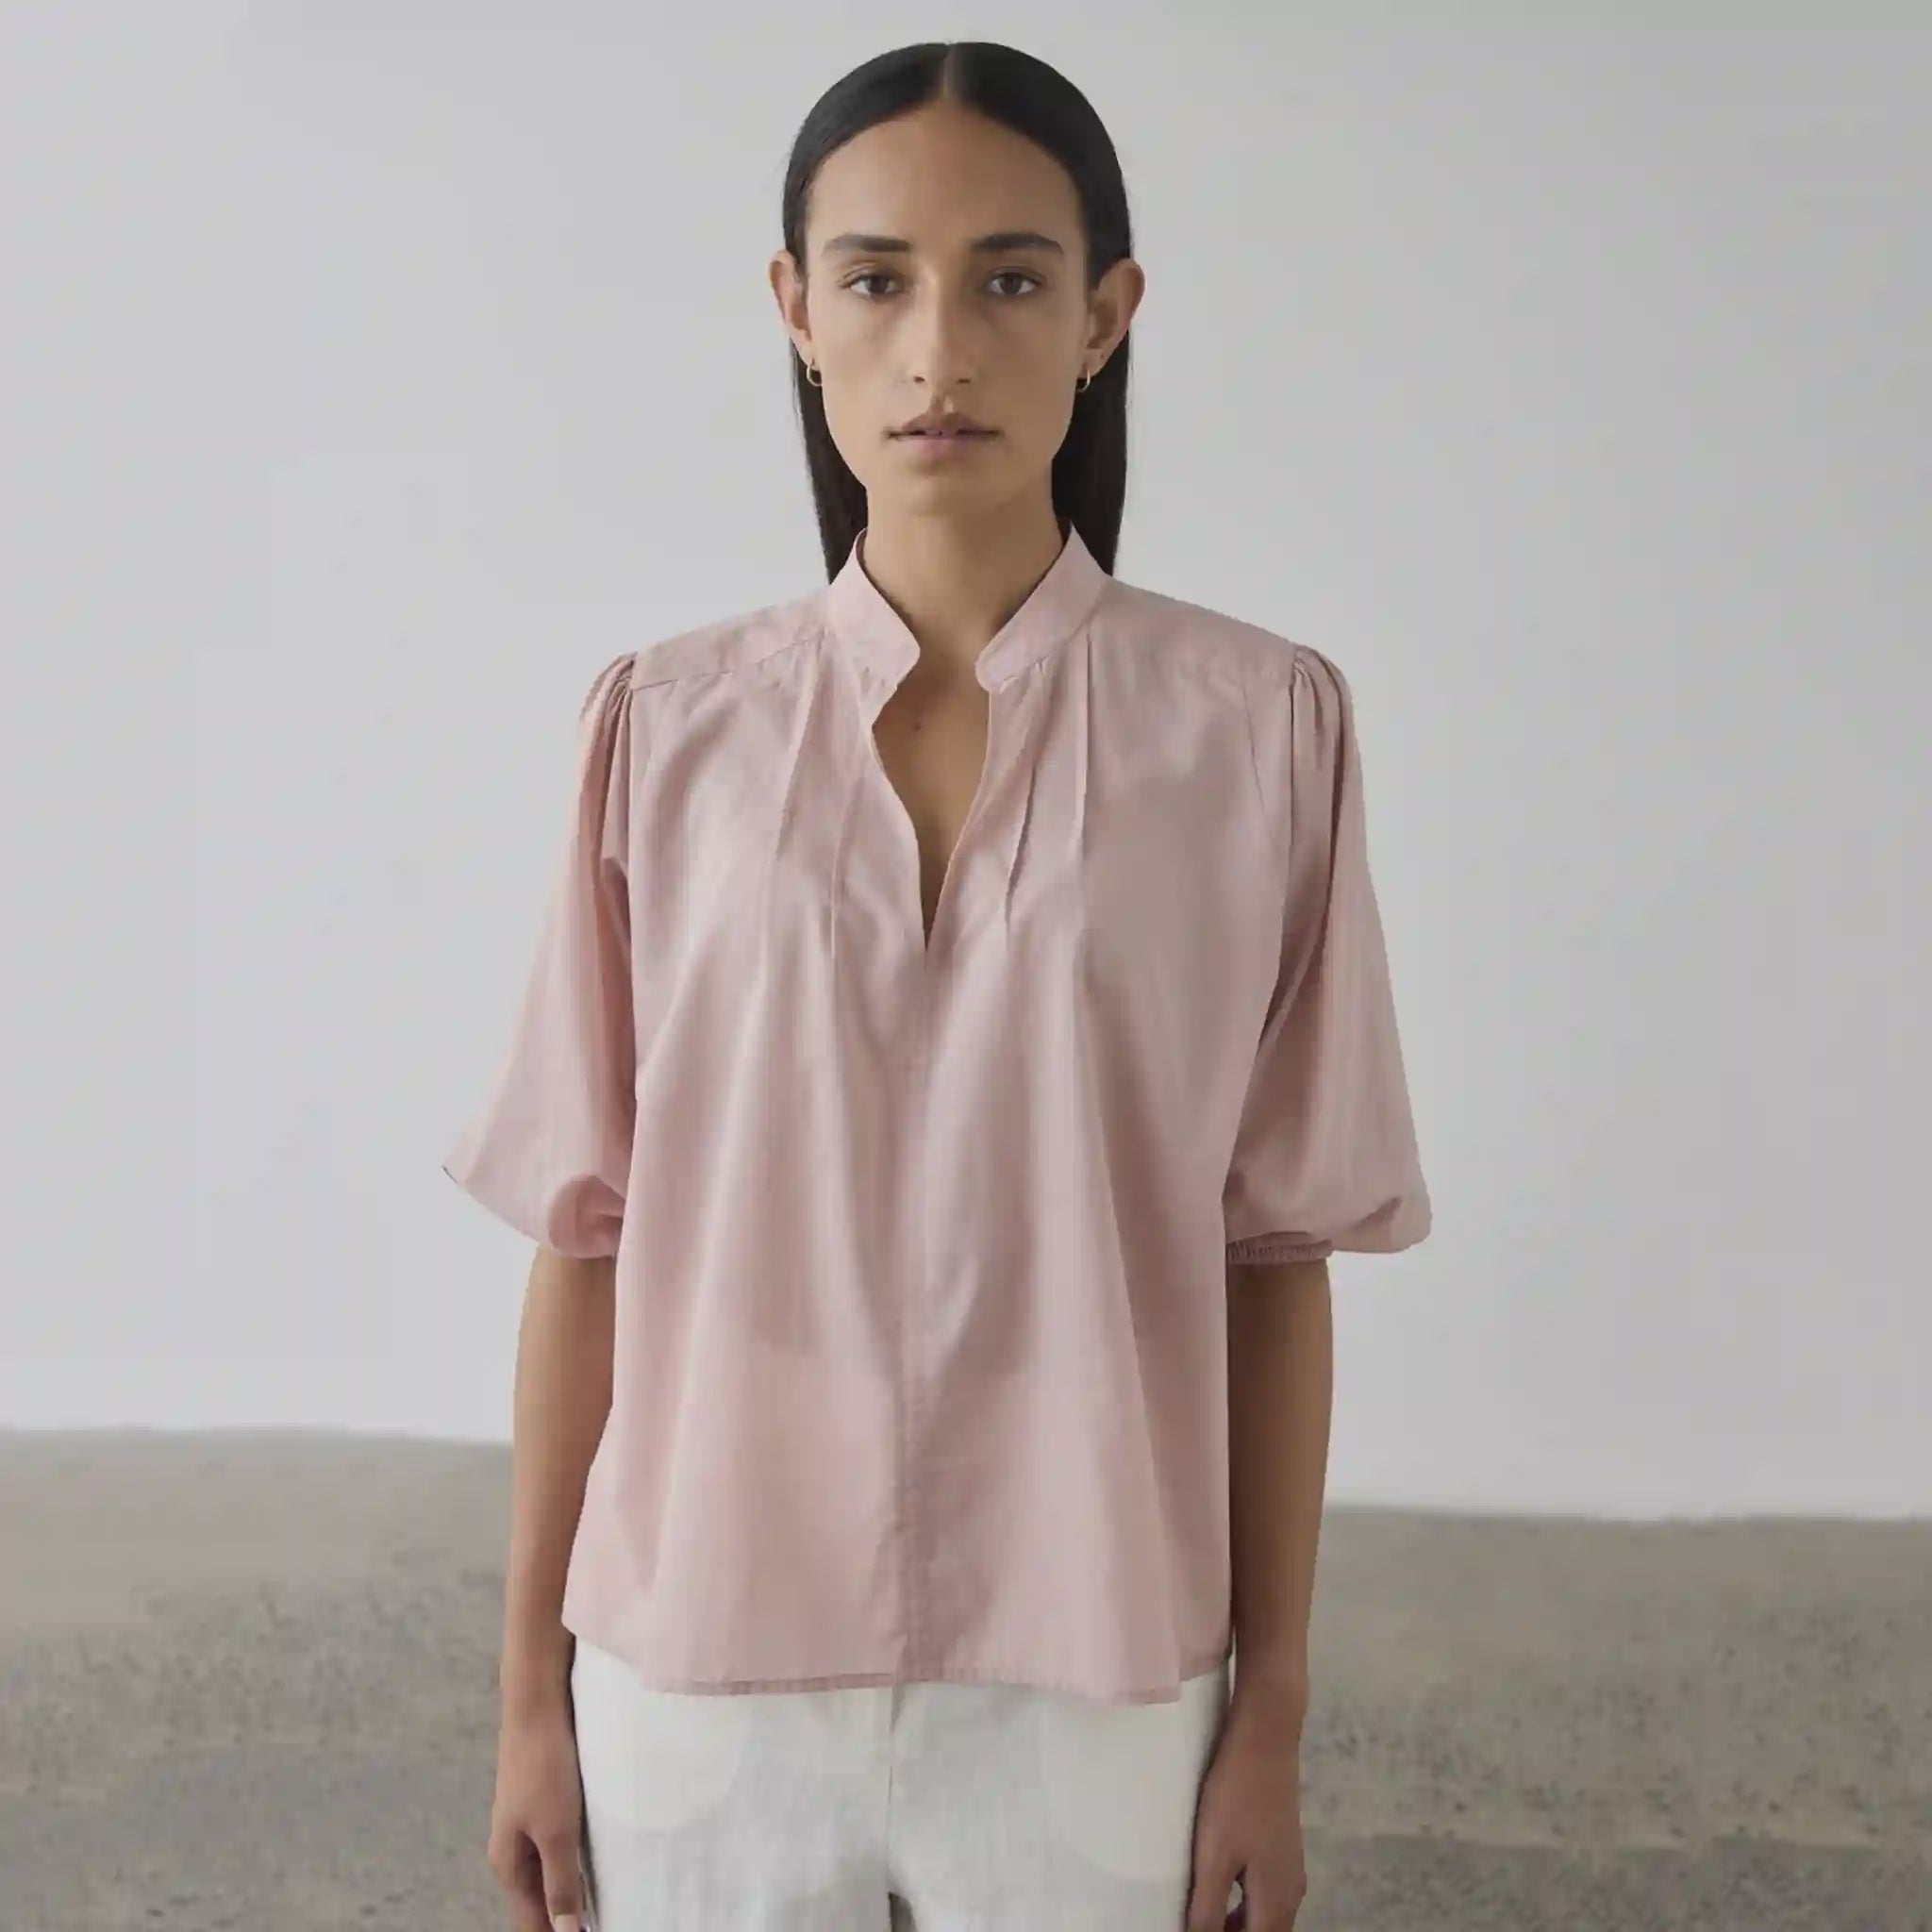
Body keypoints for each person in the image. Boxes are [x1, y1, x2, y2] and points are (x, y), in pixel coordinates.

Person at [441, 40, 1432, 1932]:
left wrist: (1271, 1716)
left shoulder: (1260, 731)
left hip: (1100, 1679)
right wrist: (524, 1706)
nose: (939, 347)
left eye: (1010, 278)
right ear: (795, 310)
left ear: (1106, 314)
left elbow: (1274, 1257)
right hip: (701, 1664)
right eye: (880, 278)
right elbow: (587, 1243)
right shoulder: (661, 731)